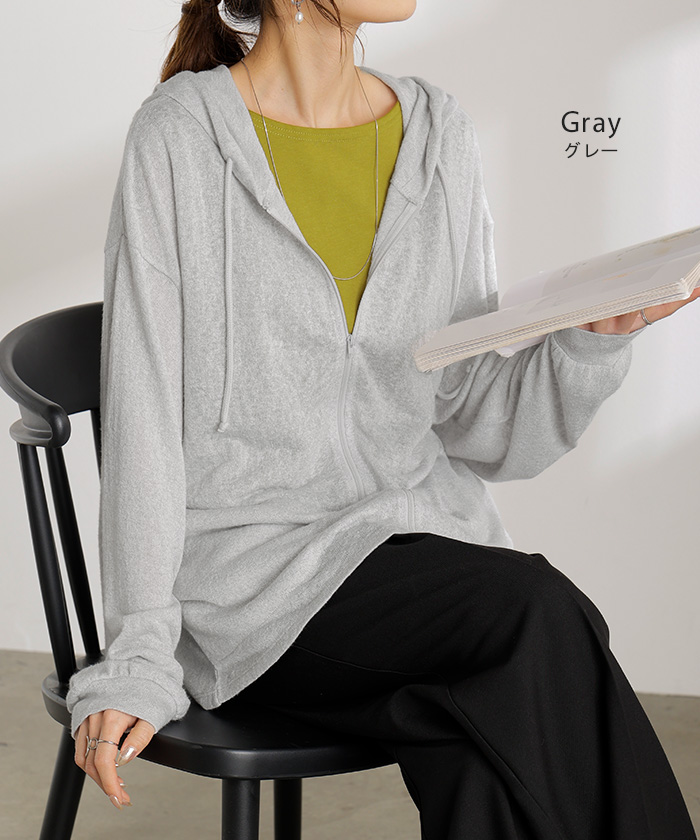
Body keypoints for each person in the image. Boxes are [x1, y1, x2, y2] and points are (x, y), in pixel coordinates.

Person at [67, 0, 700, 835]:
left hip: (414, 555)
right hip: (255, 585)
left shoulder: (438, 132)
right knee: (534, 610)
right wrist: (140, 653)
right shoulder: (180, 137)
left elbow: (471, 416)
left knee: (477, 748)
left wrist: (590, 340)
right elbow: (143, 417)